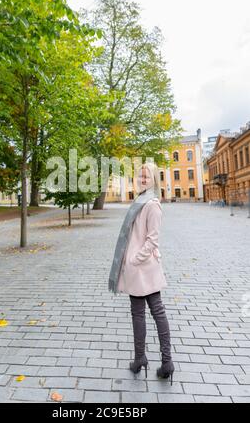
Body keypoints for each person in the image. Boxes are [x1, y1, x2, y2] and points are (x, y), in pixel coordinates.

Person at [108, 162, 174, 385]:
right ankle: (141, 358)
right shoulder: (140, 201)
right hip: (139, 269)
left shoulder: (152, 204)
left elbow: (152, 240)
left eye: (147, 176)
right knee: (139, 313)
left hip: (143, 267)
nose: (142, 179)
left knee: (156, 312)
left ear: (154, 179)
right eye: (140, 175)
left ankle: (165, 361)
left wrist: (134, 260)